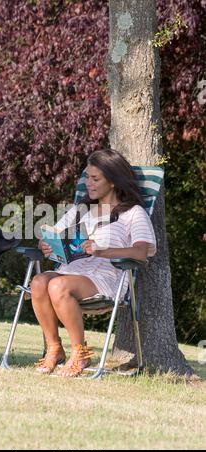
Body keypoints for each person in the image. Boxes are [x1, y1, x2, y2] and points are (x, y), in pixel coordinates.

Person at [31, 149, 156, 377]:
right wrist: (46, 245)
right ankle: (54, 349)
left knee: (57, 286)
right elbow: (51, 234)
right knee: (39, 282)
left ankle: (80, 353)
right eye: (87, 177)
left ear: (113, 180)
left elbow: (141, 252)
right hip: (73, 269)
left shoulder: (133, 213)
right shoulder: (81, 209)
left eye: (94, 178)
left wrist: (103, 251)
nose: (88, 183)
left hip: (106, 276)